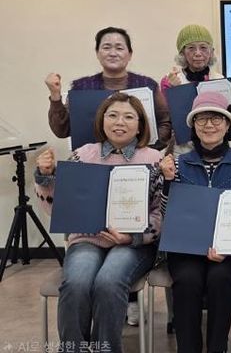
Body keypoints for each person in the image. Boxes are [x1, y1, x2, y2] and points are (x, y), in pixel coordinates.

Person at [34, 92, 163, 353]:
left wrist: (132, 237)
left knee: (109, 282)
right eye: (112, 115)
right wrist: (45, 177)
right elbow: (60, 208)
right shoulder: (83, 155)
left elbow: (161, 212)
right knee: (77, 282)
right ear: (102, 121)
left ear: (140, 125)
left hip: (133, 244)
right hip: (87, 239)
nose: (119, 122)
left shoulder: (154, 159)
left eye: (129, 117)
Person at [159, 91, 231, 353]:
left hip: (230, 248)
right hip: (187, 248)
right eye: (202, 119)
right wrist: (167, 182)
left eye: (217, 118)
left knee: (220, 279)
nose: (209, 125)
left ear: (227, 125)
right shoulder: (177, 163)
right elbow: (168, 214)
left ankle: (217, 347)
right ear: (193, 125)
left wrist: (225, 246)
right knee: (187, 280)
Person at [45, 26, 172, 147]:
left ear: (130, 54)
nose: (113, 53)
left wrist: (146, 150)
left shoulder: (148, 86)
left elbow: (165, 123)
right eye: (106, 47)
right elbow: (62, 130)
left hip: (139, 159)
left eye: (119, 48)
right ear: (97, 53)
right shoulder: (81, 88)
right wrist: (55, 95)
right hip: (91, 159)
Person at [160, 23, 231, 93]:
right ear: (182, 53)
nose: (198, 53)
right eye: (191, 48)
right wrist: (171, 90)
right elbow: (164, 107)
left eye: (203, 47)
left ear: (211, 52)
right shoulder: (171, 80)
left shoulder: (220, 80)